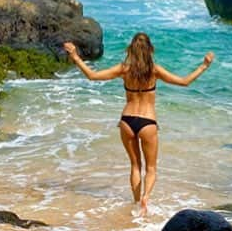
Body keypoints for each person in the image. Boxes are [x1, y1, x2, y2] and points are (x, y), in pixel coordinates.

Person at [62, 33, 214, 214]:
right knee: (151, 168)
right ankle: (146, 198)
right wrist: (204, 65)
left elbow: (93, 76)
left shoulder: (124, 69)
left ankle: (136, 202)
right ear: (150, 49)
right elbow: (184, 82)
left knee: (135, 166)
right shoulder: (155, 70)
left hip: (127, 120)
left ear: (130, 49)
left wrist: (75, 56)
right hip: (148, 122)